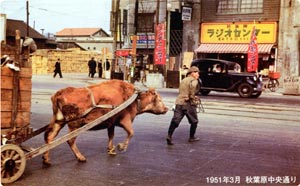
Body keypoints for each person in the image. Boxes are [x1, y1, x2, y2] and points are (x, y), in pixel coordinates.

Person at [166, 66, 200, 145]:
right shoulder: (194, 80)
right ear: (192, 73)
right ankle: (192, 137)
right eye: (196, 72)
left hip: (179, 102)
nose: (198, 74)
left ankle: (169, 136)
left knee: (175, 120)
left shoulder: (183, 80)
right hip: (188, 104)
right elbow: (192, 91)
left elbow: (182, 91)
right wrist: (193, 97)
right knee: (194, 121)